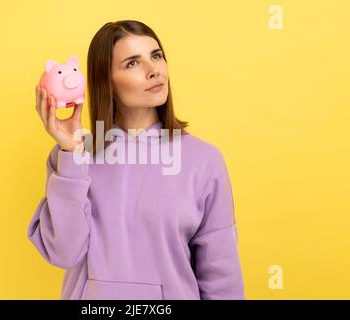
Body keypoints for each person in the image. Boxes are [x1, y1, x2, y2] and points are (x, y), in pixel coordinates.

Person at [28, 20, 245, 300]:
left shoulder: (204, 160)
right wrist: (70, 153)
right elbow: (64, 252)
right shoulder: (76, 156)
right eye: (133, 63)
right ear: (106, 81)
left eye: (156, 56)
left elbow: (221, 273)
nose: (154, 70)